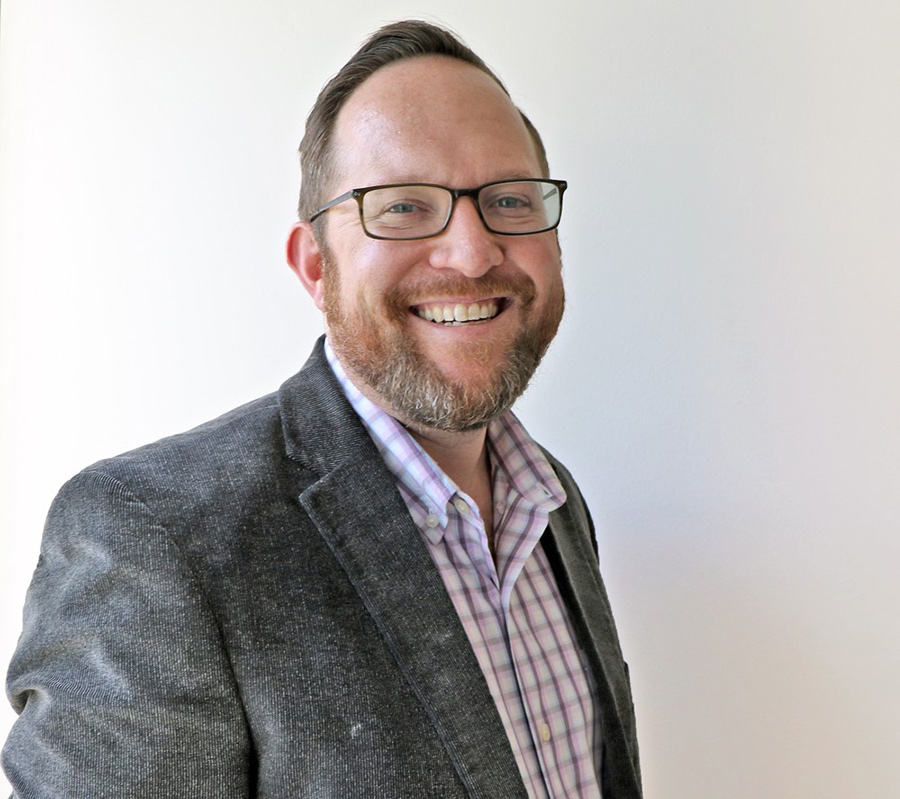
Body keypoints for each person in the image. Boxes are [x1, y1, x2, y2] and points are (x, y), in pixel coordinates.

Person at [3, 20, 642, 798]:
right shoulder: (155, 536)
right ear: (315, 265)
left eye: (509, 199)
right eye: (403, 207)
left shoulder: (555, 505)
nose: (473, 253)